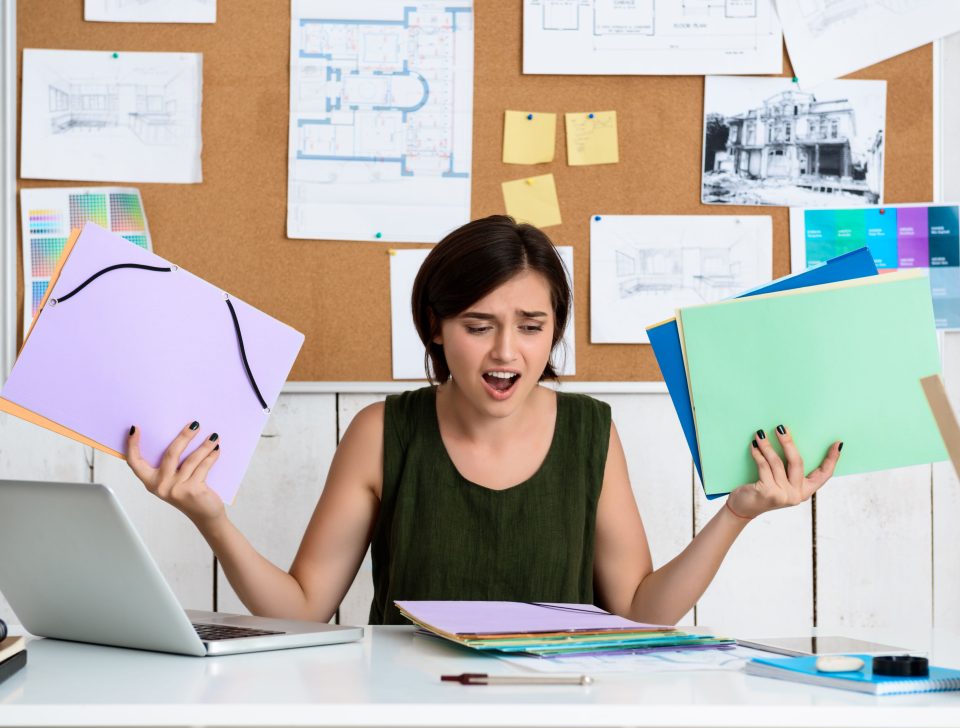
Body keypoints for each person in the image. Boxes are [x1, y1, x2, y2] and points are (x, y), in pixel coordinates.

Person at [126, 215, 842, 625]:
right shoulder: (383, 432)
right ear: (435, 328)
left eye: (532, 325)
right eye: (478, 324)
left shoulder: (591, 432)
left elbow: (640, 611)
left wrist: (737, 514)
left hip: (553, 717)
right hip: (404, 717)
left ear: (554, 330)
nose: (507, 351)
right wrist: (210, 517)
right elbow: (305, 608)